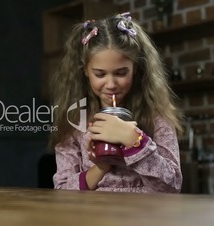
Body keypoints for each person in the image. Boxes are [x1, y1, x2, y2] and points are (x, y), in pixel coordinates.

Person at [49, 12, 184, 193]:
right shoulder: (75, 119)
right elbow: (62, 190)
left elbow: (172, 187)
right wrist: (101, 167)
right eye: (100, 74)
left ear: (135, 68)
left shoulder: (156, 116)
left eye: (121, 73)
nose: (111, 85)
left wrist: (135, 142)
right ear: (86, 71)